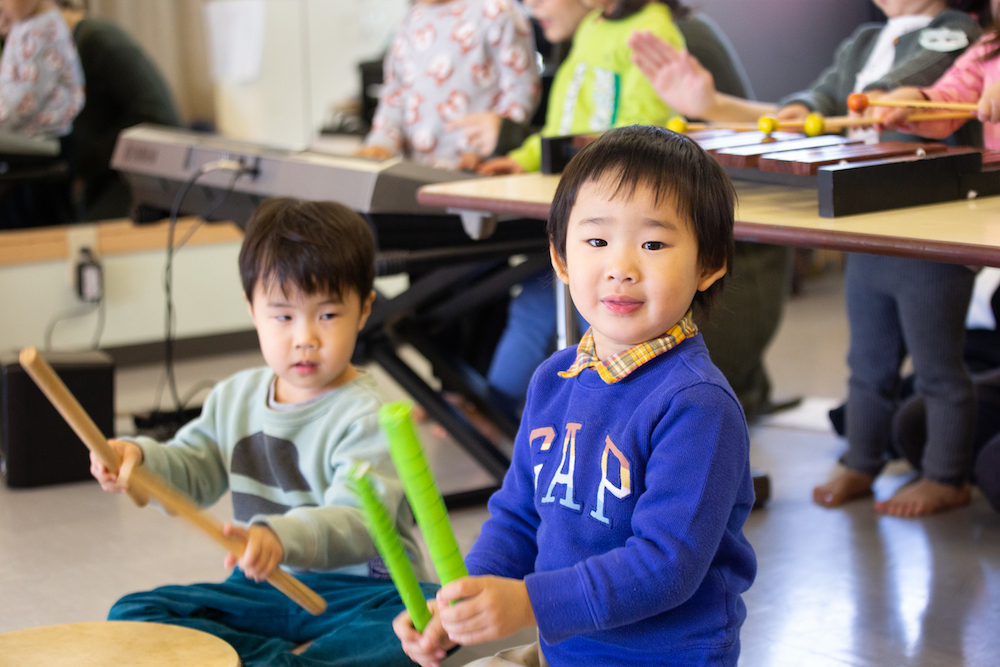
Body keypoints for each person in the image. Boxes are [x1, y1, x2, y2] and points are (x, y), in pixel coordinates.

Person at [394, 125, 757, 667]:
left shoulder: (697, 404)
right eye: (596, 240)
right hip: (564, 648)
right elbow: (519, 516)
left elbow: (666, 566)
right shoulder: (552, 379)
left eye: (654, 244)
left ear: (709, 265)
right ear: (561, 258)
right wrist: (465, 602)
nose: (620, 268)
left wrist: (529, 604)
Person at [89, 198, 437, 667]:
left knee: (422, 622)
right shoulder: (234, 397)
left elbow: (358, 523)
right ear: (252, 309)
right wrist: (139, 461)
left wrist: (280, 536)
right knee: (134, 613)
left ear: (364, 309)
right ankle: (284, 661)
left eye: (327, 315)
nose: (305, 337)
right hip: (264, 587)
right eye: (283, 315)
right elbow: (192, 469)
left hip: (362, 589)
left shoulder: (370, 415)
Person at [628, 0, 985, 147]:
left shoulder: (958, 27)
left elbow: (918, 75)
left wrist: (879, 95)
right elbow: (819, 102)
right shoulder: (864, 40)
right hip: (860, 198)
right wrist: (711, 105)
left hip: (922, 197)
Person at [356, 0, 539, 170]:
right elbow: (393, 98)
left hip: (475, 169)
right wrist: (381, 144)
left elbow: (521, 94)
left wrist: (489, 149)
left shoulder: (498, 11)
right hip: (415, 171)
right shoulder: (408, 22)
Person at [58, 0, 183, 221]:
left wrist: (84, 163)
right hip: (103, 183)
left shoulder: (97, 40)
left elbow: (158, 118)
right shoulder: (59, 51)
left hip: (137, 183)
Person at [0, 0, 84, 137]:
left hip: (42, 134)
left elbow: (28, 102)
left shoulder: (46, 29)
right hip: (17, 125)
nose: (1, 4)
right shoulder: (24, 23)